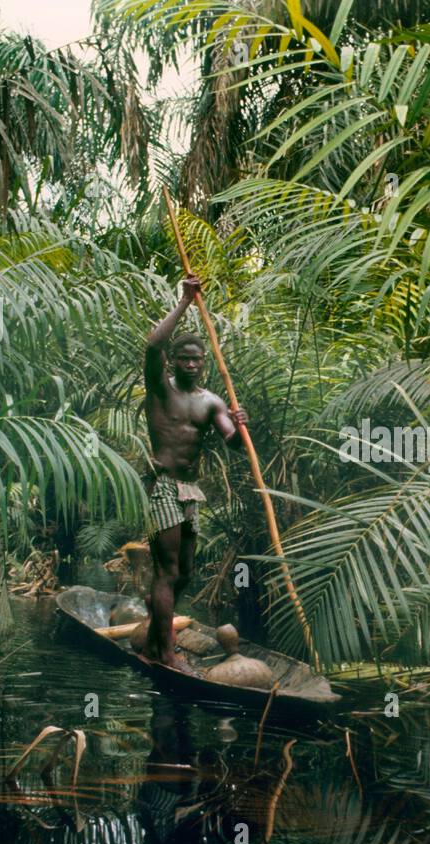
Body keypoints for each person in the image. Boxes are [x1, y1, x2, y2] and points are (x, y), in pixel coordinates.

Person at [141, 274, 248, 672]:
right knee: (167, 570)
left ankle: (154, 641)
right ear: (175, 361)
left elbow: (232, 442)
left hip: (191, 490)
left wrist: (240, 424)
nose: (189, 363)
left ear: (203, 363)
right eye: (183, 357)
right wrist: (185, 301)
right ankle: (167, 654)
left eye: (195, 358)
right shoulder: (160, 388)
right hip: (162, 485)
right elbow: (153, 344)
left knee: (183, 573)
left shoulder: (211, 401)